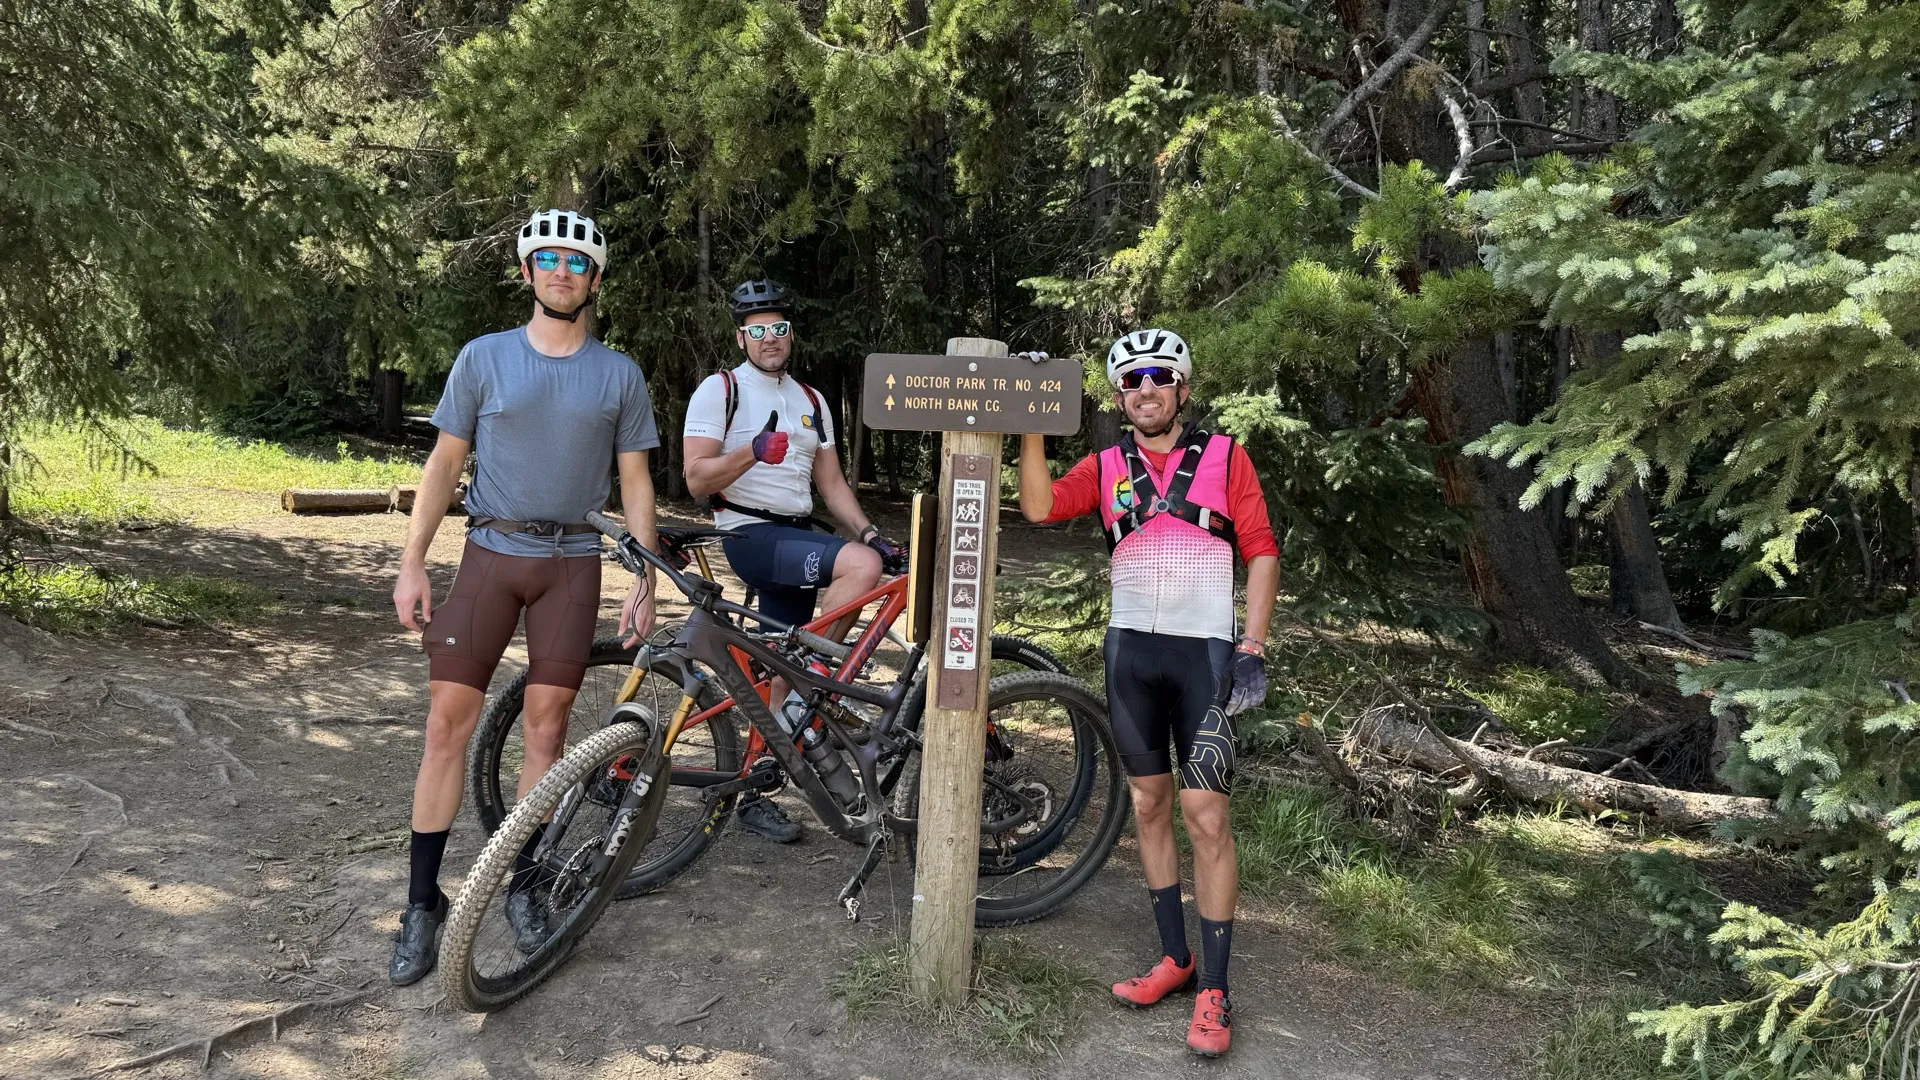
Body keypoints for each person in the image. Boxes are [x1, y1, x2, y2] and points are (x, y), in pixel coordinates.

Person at [387, 208, 661, 985]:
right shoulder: (483, 358)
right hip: (489, 553)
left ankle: (524, 880)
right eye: (549, 258)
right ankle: (421, 903)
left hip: (572, 561)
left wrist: (642, 579)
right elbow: (444, 464)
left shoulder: (619, 374)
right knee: (448, 727)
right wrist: (413, 563)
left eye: (578, 263)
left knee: (546, 733)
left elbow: (637, 480)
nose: (562, 272)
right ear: (526, 270)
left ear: (595, 281)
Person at [1016, 329, 1278, 1057]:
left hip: (1205, 657)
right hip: (1131, 653)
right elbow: (1037, 508)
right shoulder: (1105, 465)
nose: (1147, 389)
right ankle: (1176, 958)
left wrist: (1252, 646)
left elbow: (1260, 552)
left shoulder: (1225, 458)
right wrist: (1034, 422)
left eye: (1161, 376)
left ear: (1183, 389)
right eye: (1132, 380)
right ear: (1120, 397)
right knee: (1149, 803)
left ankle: (1218, 992)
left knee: (1207, 816)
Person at [682, 278, 903, 843]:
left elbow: (831, 484)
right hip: (750, 535)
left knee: (777, 669)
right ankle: (814, 689)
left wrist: (872, 532)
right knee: (858, 570)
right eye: (757, 329)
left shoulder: (811, 400)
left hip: (799, 537)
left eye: (778, 327)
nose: (769, 338)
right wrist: (750, 451)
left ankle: (756, 783)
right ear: (741, 336)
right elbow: (695, 478)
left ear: (790, 332)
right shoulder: (721, 389)